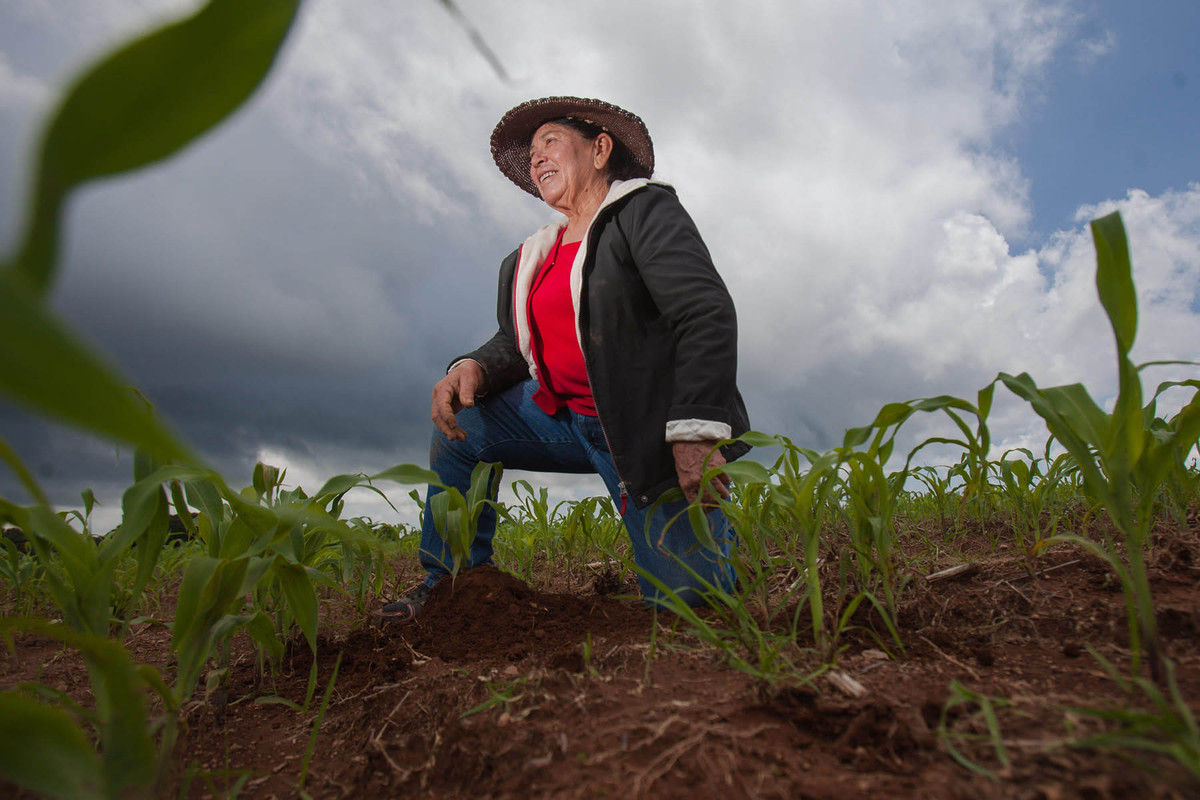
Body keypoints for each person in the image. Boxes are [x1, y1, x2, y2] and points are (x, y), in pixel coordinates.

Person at [375, 96, 751, 622]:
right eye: (531, 152)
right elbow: (517, 341)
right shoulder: (532, 255)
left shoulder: (642, 213)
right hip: (562, 417)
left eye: (550, 141)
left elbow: (704, 311)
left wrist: (695, 432)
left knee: (692, 611)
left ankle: (711, 549)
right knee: (461, 428)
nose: (537, 157)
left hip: (643, 432)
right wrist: (473, 366)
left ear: (600, 149)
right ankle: (449, 581)